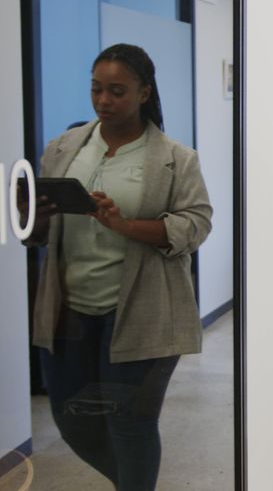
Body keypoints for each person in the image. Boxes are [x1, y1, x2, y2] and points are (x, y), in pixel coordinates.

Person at [19, 43, 212, 490]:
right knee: (73, 422)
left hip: (144, 315)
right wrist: (37, 219)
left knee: (131, 425)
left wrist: (123, 224)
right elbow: (38, 234)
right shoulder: (64, 147)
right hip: (70, 314)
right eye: (97, 90)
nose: (103, 100)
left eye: (117, 91)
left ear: (144, 93)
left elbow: (196, 225)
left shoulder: (176, 159)